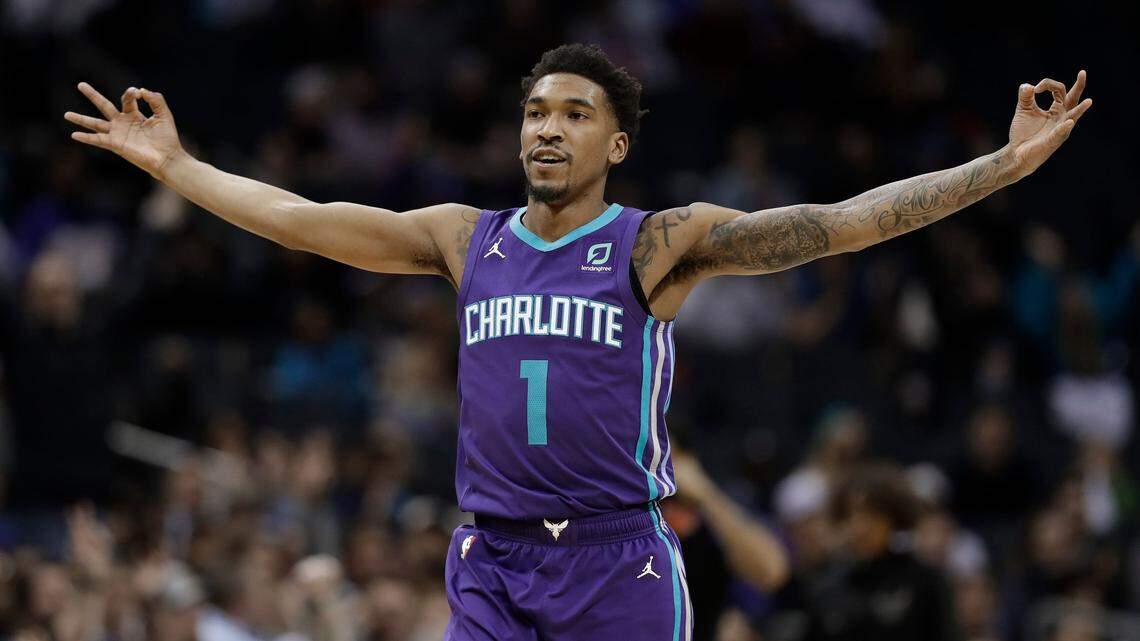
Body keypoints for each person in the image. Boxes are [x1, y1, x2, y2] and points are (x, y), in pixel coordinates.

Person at [64, 43, 1091, 641]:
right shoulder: (466, 239)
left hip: (618, 557)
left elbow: (843, 221)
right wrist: (176, 165)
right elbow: (299, 215)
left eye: (574, 113)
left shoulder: (656, 245)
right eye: (535, 112)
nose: (547, 128)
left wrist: (1000, 166)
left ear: (617, 143)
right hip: (493, 554)